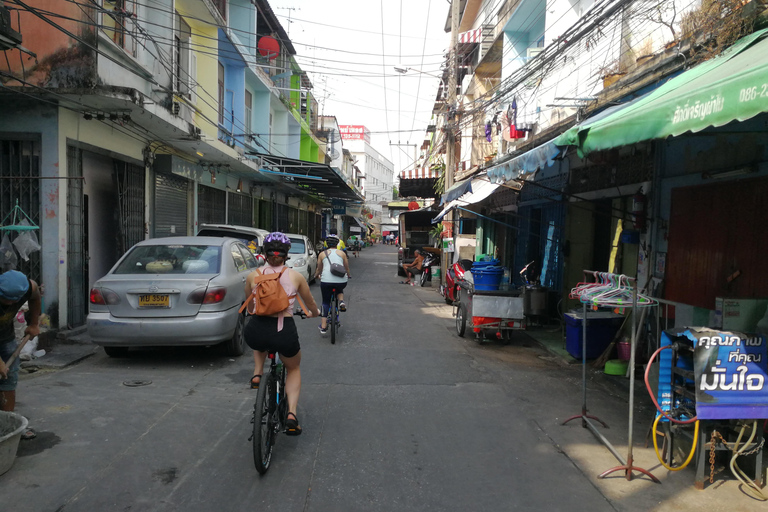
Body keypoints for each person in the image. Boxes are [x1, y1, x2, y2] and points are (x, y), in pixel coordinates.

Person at [244, 232, 320, 436]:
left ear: (264, 253)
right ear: (286, 255)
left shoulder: (253, 275)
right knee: (293, 368)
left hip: (257, 329)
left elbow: (250, 304)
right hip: (283, 330)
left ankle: (258, 373)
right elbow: (310, 302)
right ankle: (292, 415)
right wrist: (314, 313)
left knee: (259, 343)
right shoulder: (296, 276)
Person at [0, 270, 41, 440]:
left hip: (6, 338)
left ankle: (8, 425)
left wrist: (33, 324)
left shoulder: (29, 287)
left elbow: (35, 297)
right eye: (7, 300)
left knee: (9, 378)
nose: (12, 303)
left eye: (16, 300)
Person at [314, 233, 351, 334]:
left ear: (326, 244)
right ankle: (341, 301)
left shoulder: (322, 254)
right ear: (337, 243)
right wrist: (349, 274)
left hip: (326, 281)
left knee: (326, 302)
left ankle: (324, 326)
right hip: (341, 281)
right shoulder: (342, 253)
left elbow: (319, 268)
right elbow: (346, 267)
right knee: (339, 288)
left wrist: (316, 275)